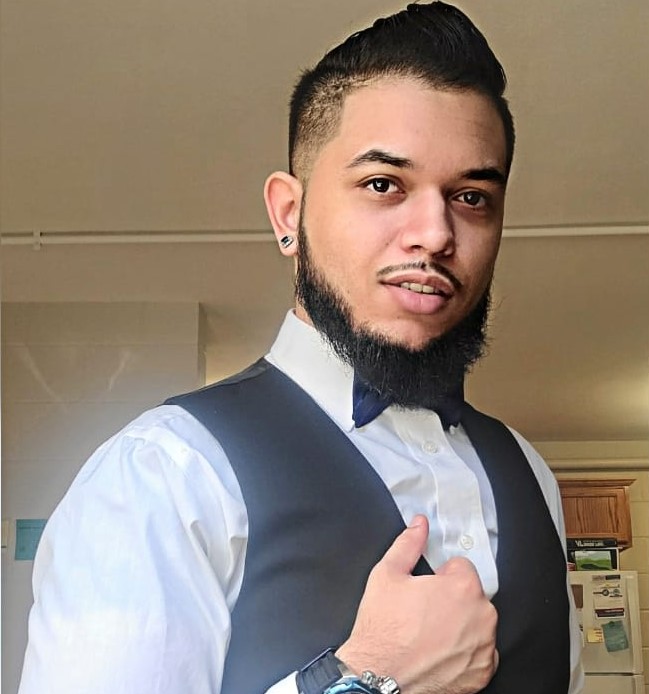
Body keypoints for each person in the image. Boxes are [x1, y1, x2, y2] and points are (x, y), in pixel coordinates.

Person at [18, 3, 583, 694]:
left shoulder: (530, 473)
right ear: (289, 213)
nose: (435, 233)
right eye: (383, 185)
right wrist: (365, 680)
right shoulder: (165, 473)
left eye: (470, 197)